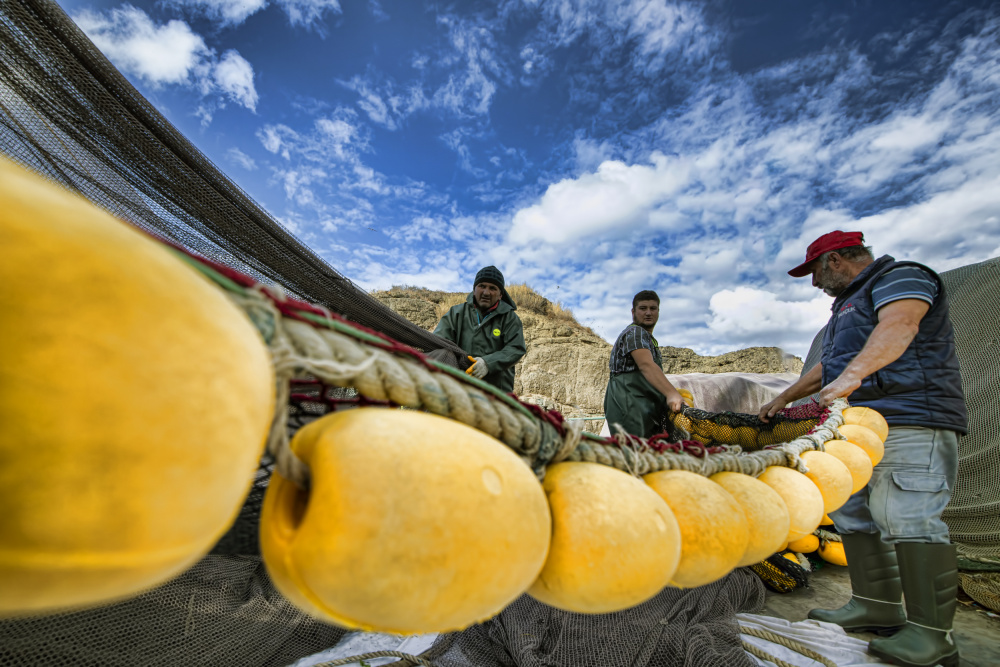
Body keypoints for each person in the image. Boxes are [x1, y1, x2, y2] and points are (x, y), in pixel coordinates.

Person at [759, 230, 967, 667]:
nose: (815, 282)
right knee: (854, 512)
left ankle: (933, 635)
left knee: (906, 516)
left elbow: (900, 325)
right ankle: (877, 605)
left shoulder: (900, 277)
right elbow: (830, 366)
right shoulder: (844, 308)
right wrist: (785, 397)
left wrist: (852, 378)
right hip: (855, 426)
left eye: (815, 271)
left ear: (835, 260)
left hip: (909, 419)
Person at [603, 290, 686, 438]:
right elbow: (646, 365)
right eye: (643, 308)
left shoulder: (646, 338)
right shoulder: (635, 332)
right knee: (636, 449)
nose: (648, 313)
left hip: (640, 410)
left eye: (653, 308)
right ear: (633, 312)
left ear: (658, 311)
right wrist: (671, 393)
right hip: (631, 408)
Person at [434, 266, 526, 393]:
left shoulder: (510, 318)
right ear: (474, 289)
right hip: (459, 389)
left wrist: (488, 363)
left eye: (493, 288)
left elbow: (516, 348)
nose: (486, 293)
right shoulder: (456, 313)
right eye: (482, 286)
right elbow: (439, 342)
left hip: (496, 393)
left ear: (500, 295)